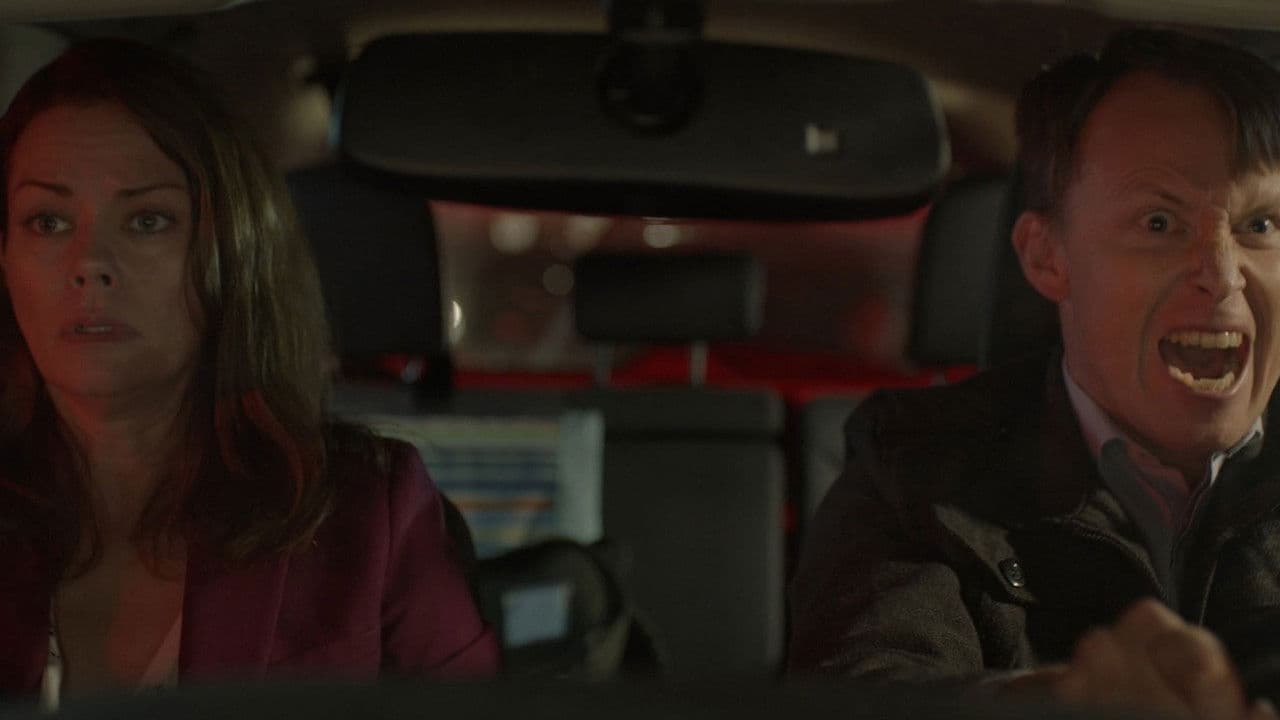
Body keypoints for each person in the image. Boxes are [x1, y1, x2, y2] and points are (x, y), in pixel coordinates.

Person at [789, 28, 1280, 720]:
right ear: (1048, 258)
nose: (1223, 277)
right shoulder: (916, 462)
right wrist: (1064, 703)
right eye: (1160, 223)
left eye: (1261, 225)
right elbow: (864, 691)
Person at [0, 39, 498, 705]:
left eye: (147, 220)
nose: (89, 262)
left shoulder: (364, 516)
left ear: (229, 252)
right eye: (48, 221)